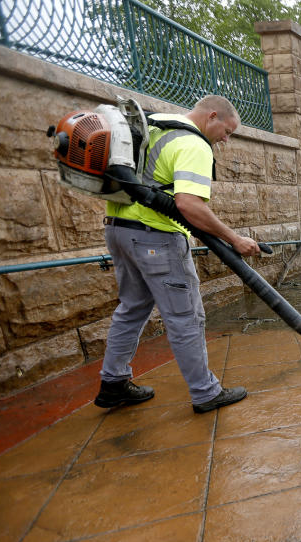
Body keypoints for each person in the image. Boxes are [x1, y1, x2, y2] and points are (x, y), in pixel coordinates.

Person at [94, 95, 260, 413]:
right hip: (157, 238)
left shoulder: (154, 127)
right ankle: (206, 392)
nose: (226, 139)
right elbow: (188, 204)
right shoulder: (194, 144)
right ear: (213, 116)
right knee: (186, 317)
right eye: (228, 131)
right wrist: (234, 239)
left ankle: (113, 383)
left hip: (119, 230)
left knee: (131, 308)